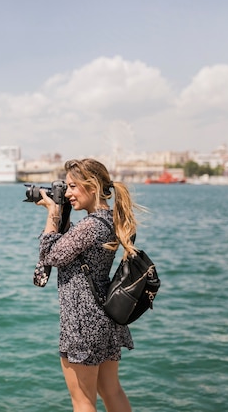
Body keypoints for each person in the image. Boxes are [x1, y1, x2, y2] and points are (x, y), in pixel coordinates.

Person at [34, 158, 140, 412]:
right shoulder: (109, 220)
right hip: (105, 318)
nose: (67, 193)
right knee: (111, 390)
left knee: (82, 401)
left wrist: (53, 214)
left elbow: (50, 255)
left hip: (82, 322)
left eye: (73, 186)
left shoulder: (90, 226)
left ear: (92, 186)